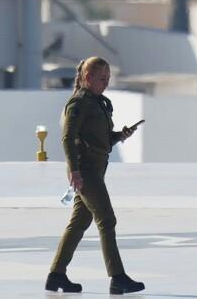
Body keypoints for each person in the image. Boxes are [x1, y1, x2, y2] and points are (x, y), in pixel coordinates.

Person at [46, 57, 145, 295]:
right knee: (107, 220)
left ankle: (56, 275)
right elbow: (67, 137)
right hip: (86, 171)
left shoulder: (98, 103)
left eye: (108, 78)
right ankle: (117, 277)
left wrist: (120, 135)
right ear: (88, 77)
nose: (106, 82)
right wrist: (74, 170)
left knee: (79, 223)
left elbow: (102, 140)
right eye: (102, 78)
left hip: (95, 170)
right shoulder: (79, 103)